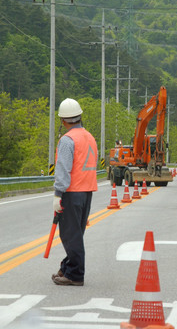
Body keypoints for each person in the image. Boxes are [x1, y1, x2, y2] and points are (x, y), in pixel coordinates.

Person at [52, 98, 98, 286]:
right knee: (76, 233)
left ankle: (75, 274)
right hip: (87, 191)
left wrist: (58, 194)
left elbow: (63, 168)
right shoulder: (89, 137)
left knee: (70, 235)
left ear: (63, 120)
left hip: (72, 191)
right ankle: (67, 267)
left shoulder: (67, 140)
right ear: (79, 117)